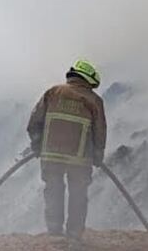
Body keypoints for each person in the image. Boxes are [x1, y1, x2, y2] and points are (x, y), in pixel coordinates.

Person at [27, 59, 107, 240]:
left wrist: (37, 144)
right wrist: (98, 154)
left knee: (53, 189)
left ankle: (54, 231)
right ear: (88, 80)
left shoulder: (52, 93)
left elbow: (34, 122)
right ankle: (74, 234)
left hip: (51, 155)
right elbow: (99, 131)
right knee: (78, 193)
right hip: (79, 159)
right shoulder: (93, 100)